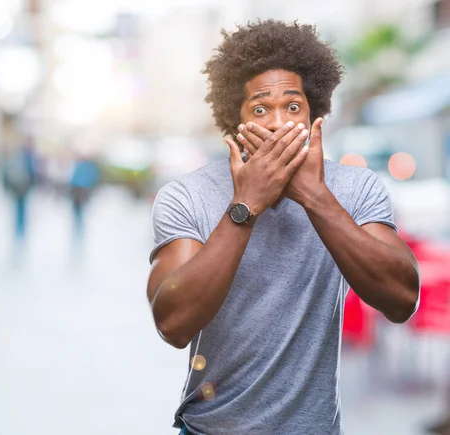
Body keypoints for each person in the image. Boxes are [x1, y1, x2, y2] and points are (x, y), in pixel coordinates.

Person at [146, 20, 420, 435]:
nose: (278, 124)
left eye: (292, 107)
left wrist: (315, 196)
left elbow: (401, 300)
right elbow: (173, 324)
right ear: (233, 120)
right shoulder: (187, 196)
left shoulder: (354, 188)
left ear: (314, 115)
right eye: (260, 109)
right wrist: (246, 204)